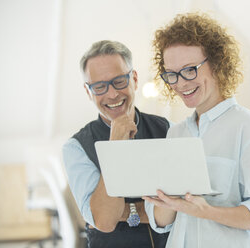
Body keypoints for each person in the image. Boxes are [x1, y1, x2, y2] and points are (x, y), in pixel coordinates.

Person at [143, 13, 250, 247]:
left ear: (216, 63)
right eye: (172, 75)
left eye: (189, 70)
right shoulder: (175, 134)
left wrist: (206, 210)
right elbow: (160, 222)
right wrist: (166, 200)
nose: (181, 84)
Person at [62, 40, 170, 248]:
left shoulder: (168, 129)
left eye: (119, 81)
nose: (112, 94)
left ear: (135, 79)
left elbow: (185, 205)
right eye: (99, 87)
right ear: (88, 92)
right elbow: (104, 220)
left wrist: (127, 211)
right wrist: (115, 147)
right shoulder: (76, 148)